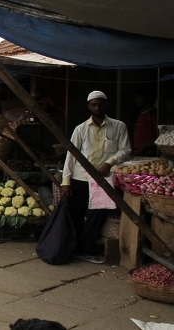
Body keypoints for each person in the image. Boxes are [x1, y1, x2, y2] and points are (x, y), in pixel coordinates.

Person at [61, 90, 131, 264]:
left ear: (105, 105)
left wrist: (110, 162)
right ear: (89, 106)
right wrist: (66, 180)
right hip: (80, 178)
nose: (97, 107)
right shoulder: (81, 129)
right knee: (76, 214)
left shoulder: (118, 126)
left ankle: (87, 250)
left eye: (100, 104)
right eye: (93, 104)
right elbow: (71, 155)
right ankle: (76, 248)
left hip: (102, 180)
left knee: (96, 215)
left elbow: (126, 150)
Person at [131, 90, 157, 157]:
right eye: (135, 97)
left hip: (149, 155)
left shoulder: (152, 114)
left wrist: (143, 148)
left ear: (148, 98)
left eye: (139, 97)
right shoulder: (142, 114)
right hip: (139, 154)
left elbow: (160, 137)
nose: (136, 100)